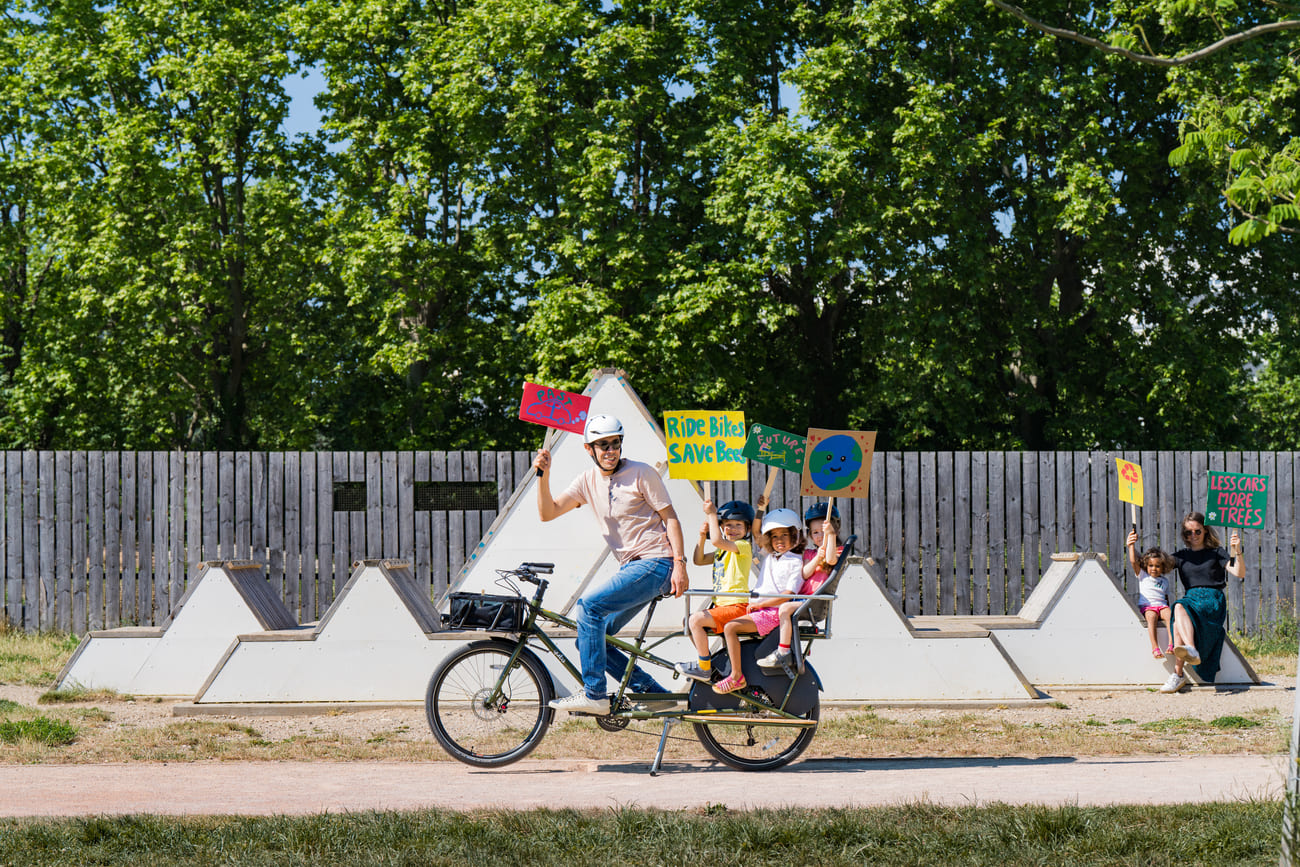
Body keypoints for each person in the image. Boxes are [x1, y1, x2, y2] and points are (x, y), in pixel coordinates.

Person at [532, 414, 688, 713]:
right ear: (589, 449)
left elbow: (671, 519)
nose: (610, 450)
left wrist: (680, 565)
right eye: (602, 445)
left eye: (615, 443)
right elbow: (547, 513)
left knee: (588, 607)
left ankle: (595, 695)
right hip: (632, 569)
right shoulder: (587, 481)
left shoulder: (642, 473)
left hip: (656, 563)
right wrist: (543, 475)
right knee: (591, 639)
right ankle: (654, 695)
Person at [708, 508, 805, 694]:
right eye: (774, 537)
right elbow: (756, 533)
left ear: (795, 536)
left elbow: (787, 594)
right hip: (760, 610)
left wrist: (761, 604)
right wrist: (760, 510)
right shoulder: (770, 557)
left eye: (785, 535)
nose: (779, 540)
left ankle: (737, 677)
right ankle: (721, 667)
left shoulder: (794, 562)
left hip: (772, 612)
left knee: (730, 627)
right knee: (722, 619)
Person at [1159, 512, 1244, 693]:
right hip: (1191, 599)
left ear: (1205, 531)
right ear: (1184, 534)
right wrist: (1132, 549)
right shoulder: (1181, 556)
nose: (1193, 536)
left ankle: (1179, 671)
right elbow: (1151, 566)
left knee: (1180, 609)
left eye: (1197, 531)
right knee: (1178, 610)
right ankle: (1184, 661)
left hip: (1212, 600)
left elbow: (1239, 573)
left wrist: (1238, 551)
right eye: (1189, 533)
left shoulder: (1217, 553)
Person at [674, 499, 755, 684]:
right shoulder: (722, 552)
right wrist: (702, 536)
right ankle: (707, 661)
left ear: (747, 529)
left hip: (737, 606)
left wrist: (712, 513)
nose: (732, 529)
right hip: (722, 606)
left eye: (737, 525)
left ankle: (704, 668)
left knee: (695, 620)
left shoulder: (743, 546)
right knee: (689, 622)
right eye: (727, 525)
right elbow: (699, 559)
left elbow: (717, 541)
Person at [757, 502, 843, 670]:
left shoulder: (836, 551)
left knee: (784, 608)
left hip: (814, 602)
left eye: (823, 532)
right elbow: (804, 574)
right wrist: (817, 558)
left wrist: (830, 536)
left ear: (835, 530)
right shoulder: (811, 553)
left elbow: (832, 560)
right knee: (781, 607)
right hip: (803, 599)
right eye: (815, 533)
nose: (820, 536)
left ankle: (783, 651)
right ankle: (789, 646)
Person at [1126, 530, 1174, 659]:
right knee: (1151, 618)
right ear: (1146, 566)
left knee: (1170, 615)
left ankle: (1171, 644)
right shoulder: (1143, 575)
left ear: (1163, 567)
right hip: (1148, 607)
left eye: (1158, 566)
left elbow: (1166, 598)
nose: (1154, 568)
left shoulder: (1164, 581)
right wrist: (1131, 546)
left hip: (1162, 606)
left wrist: (1167, 607)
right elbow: (1133, 562)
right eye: (1151, 565)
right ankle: (1155, 647)